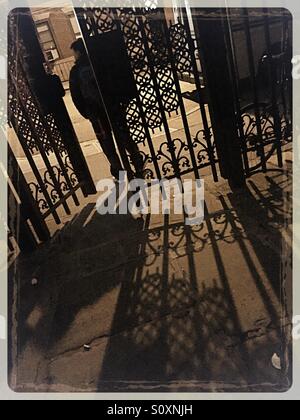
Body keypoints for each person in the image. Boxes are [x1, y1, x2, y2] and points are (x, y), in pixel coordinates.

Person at [69, 38, 143, 179]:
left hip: (96, 113)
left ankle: (118, 169)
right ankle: (136, 160)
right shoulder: (100, 63)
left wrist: (87, 113)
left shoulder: (76, 71)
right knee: (123, 135)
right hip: (113, 107)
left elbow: (76, 96)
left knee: (106, 142)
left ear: (78, 51)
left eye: (75, 53)